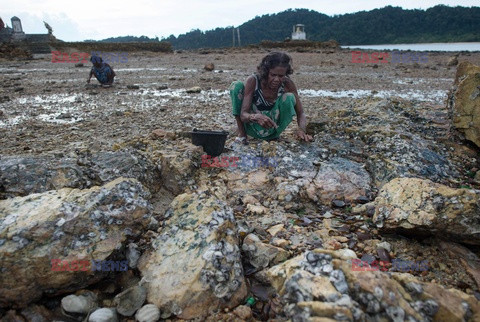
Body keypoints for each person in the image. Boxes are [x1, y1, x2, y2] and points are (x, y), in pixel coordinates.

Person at [229, 51, 312, 144]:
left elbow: (301, 113)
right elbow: (243, 115)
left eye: (281, 76)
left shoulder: (287, 84)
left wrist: (302, 130)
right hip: (252, 126)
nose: (277, 80)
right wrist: (255, 117)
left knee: (289, 97)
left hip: (273, 127)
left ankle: (274, 136)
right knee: (236, 86)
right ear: (266, 72)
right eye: (273, 75)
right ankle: (242, 135)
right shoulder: (253, 81)